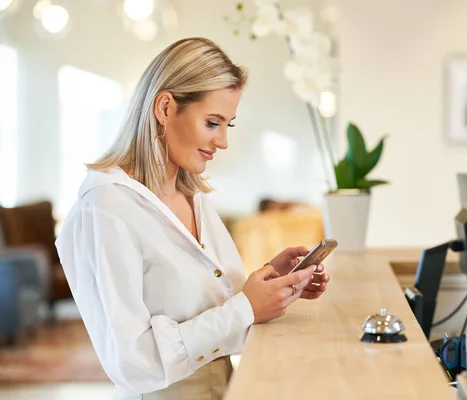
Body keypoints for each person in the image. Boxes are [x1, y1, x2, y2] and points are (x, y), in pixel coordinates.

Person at [55, 37, 331, 400]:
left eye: (227, 125)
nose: (222, 142)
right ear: (165, 107)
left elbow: (217, 309)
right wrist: (247, 305)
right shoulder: (106, 207)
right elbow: (132, 362)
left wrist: (273, 284)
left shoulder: (192, 193)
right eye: (213, 122)